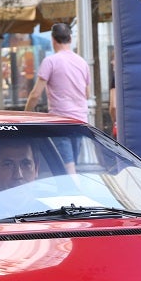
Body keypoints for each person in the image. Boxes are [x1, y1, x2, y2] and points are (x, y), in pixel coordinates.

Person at [24, 23, 90, 172]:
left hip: (61, 122)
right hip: (80, 122)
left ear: (53, 39)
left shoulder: (50, 62)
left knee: (67, 169)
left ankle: (73, 194)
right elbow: (87, 94)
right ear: (70, 39)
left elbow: (35, 94)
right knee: (74, 167)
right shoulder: (82, 63)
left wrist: (25, 114)